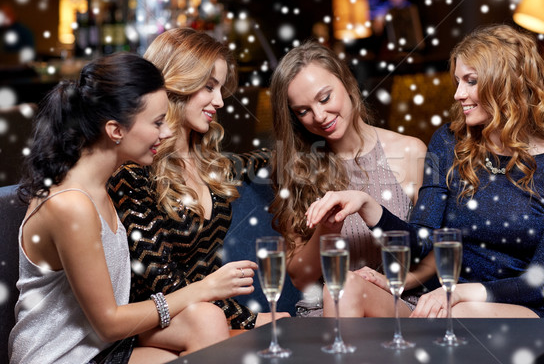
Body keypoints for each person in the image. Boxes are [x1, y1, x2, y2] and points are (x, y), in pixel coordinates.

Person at [305, 24, 544, 321]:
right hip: (446, 307)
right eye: (457, 81)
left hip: (535, 312)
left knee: (462, 314)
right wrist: (367, 205)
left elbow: (539, 281)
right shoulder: (448, 142)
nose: (458, 94)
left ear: (506, 84)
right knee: (344, 287)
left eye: (470, 81)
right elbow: (421, 241)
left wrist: (459, 294)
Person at [9, 53, 259, 364]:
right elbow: (109, 322)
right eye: (157, 122)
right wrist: (205, 288)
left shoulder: (107, 183)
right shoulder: (71, 204)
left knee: (207, 320)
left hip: (102, 346)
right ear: (115, 130)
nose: (167, 133)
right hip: (63, 357)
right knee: (205, 318)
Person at [107, 28, 287, 334]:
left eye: (220, 89)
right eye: (209, 87)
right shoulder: (133, 173)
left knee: (289, 330)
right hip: (158, 323)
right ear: (177, 83)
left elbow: (268, 158)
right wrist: (250, 321)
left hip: (210, 314)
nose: (219, 101)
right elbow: (163, 282)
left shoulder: (212, 165)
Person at [268, 39, 435, 317]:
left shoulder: (409, 151)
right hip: (323, 311)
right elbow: (301, 279)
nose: (320, 116)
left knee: (344, 285)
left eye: (325, 98)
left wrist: (398, 283)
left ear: (347, 82)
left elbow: (437, 250)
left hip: (397, 304)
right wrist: (327, 231)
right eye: (303, 111)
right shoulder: (296, 168)